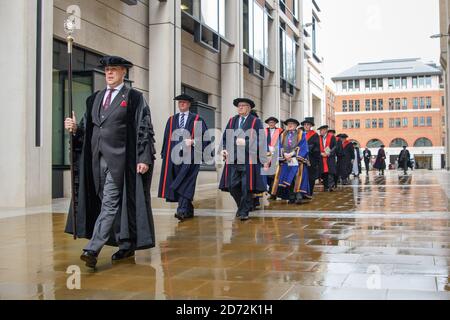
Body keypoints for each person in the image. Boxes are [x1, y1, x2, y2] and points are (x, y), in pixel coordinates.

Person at [64, 56, 156, 269]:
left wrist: (143, 157)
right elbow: (88, 128)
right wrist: (75, 128)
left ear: (124, 72)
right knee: (109, 203)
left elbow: (144, 127)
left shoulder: (134, 98)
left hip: (121, 161)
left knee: (110, 203)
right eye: (107, 70)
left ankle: (92, 249)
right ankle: (126, 244)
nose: (109, 73)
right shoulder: (94, 98)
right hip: (96, 161)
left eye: (114, 70)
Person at [158, 94, 209, 222]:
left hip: (191, 157)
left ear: (189, 104)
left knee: (187, 181)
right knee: (179, 182)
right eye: (180, 102)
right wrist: (164, 154)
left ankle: (181, 210)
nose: (181, 104)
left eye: (184, 103)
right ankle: (188, 209)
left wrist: (193, 141)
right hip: (174, 157)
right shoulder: (171, 120)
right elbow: (166, 138)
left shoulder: (197, 119)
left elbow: (205, 138)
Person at [219, 98, 269, 221]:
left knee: (246, 187)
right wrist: (224, 149)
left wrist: (246, 142)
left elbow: (262, 142)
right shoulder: (232, 121)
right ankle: (242, 206)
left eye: (243, 105)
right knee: (232, 186)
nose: (240, 107)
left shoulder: (255, 122)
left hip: (249, 160)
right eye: (239, 105)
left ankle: (244, 211)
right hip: (233, 158)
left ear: (249, 108)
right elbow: (225, 137)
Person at [270, 119, 310, 204]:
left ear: (296, 125)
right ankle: (291, 197)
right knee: (288, 179)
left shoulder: (301, 134)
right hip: (286, 161)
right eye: (288, 124)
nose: (290, 125)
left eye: (292, 124)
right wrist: (284, 154)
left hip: (297, 160)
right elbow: (279, 146)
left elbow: (303, 147)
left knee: (297, 178)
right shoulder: (283, 135)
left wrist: (292, 154)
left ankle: (298, 196)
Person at [264, 117, 283, 200]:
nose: (271, 124)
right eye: (270, 122)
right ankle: (269, 191)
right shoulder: (264, 131)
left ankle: (273, 192)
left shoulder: (280, 131)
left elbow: (282, 142)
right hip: (266, 155)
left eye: (273, 122)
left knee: (275, 175)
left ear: (275, 123)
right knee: (266, 174)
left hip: (276, 154)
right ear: (268, 123)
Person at [302, 117, 320, 199]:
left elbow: (316, 147)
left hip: (311, 158)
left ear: (311, 126)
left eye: (308, 125)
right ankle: (302, 192)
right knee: (302, 176)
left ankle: (309, 193)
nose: (306, 126)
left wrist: (307, 149)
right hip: (301, 158)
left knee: (310, 176)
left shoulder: (315, 135)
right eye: (305, 125)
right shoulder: (300, 134)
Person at [318, 125, 337, 191]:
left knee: (330, 172)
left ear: (326, 130)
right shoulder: (319, 138)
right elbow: (317, 147)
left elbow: (335, 147)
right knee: (324, 173)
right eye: (320, 130)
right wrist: (321, 153)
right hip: (322, 157)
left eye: (322, 130)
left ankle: (331, 186)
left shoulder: (332, 137)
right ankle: (326, 187)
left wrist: (329, 153)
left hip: (329, 157)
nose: (321, 132)